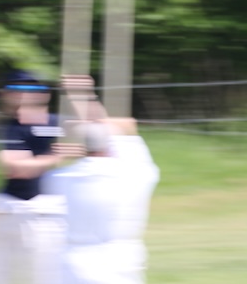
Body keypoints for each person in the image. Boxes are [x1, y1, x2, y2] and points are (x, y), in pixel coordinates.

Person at [45, 75, 161, 284]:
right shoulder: (139, 173)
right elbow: (127, 127)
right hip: (124, 258)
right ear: (109, 146)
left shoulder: (58, 179)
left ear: (81, 147)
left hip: (76, 263)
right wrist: (85, 95)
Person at [0, 70, 65, 284]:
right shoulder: (6, 127)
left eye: (28, 89)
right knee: (0, 275)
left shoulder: (57, 123)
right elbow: (15, 168)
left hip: (43, 211)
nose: (21, 94)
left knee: (44, 275)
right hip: (10, 208)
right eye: (14, 89)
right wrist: (54, 157)